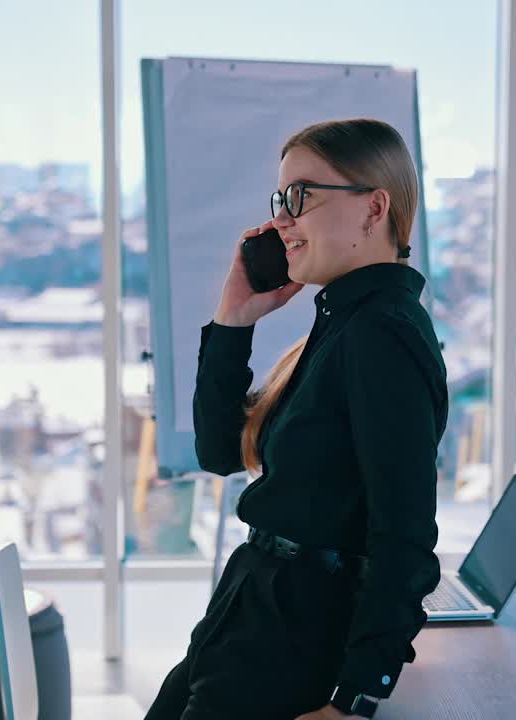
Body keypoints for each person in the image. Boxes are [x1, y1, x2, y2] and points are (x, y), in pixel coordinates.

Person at [145, 118, 448, 719]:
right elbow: (220, 453)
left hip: (288, 639)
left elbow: (405, 534)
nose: (282, 217)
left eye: (301, 196)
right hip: (252, 613)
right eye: (280, 199)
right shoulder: (344, 321)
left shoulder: (381, 334)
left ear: (373, 209)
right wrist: (234, 321)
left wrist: (355, 699)